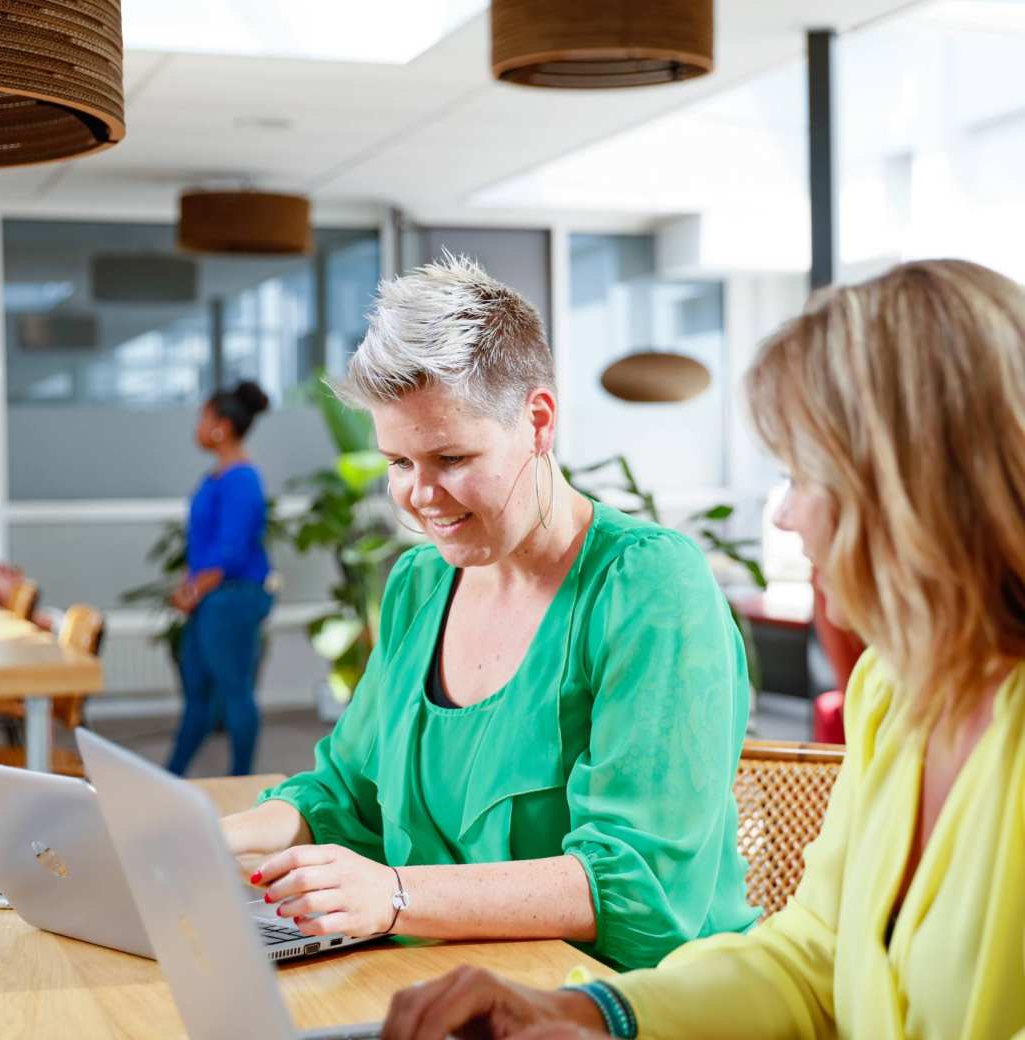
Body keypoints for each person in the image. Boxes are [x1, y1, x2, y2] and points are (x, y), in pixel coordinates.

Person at [380, 258, 1025, 1040]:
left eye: (805, 474)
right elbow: (813, 958)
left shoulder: (648, 580)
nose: (785, 518)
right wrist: (593, 1010)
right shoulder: (896, 692)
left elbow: (640, 879)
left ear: (914, 484)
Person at [221, 256, 756, 970]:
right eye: (400, 463)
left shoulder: (650, 588)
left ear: (538, 421)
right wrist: (214, 838)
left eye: (450, 456)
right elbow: (345, 796)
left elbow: (636, 884)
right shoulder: (419, 583)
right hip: (444, 979)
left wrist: (398, 896)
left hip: (619, 1002)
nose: (420, 495)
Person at [166, 380, 274, 777]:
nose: (198, 426)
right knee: (197, 693)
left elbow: (229, 552)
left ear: (221, 426)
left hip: (232, 599)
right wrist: (189, 588)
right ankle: (170, 777)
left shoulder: (242, 479)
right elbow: (204, 544)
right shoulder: (218, 476)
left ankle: (243, 781)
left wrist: (194, 592)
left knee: (234, 691)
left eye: (203, 418)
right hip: (209, 598)